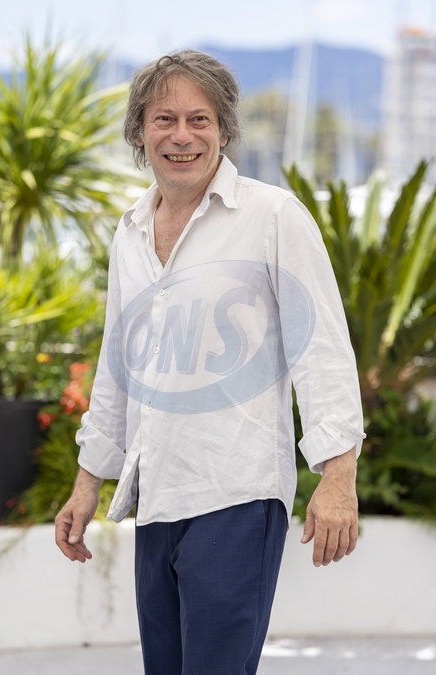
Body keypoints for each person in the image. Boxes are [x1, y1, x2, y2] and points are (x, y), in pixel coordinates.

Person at [55, 50, 365, 674]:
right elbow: (118, 367)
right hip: (157, 497)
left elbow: (323, 352)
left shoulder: (273, 217)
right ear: (139, 133)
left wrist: (338, 478)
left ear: (224, 131)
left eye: (199, 119)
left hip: (238, 495)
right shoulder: (130, 230)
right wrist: (88, 481)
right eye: (164, 119)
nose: (182, 136)